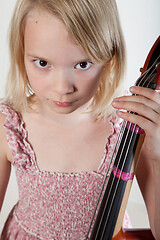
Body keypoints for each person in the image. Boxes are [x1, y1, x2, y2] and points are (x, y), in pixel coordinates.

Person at [0, 0, 160, 239]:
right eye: (43, 63)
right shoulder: (9, 124)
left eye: (82, 64)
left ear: (109, 58)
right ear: (20, 54)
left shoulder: (132, 127)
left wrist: (158, 158)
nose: (63, 88)